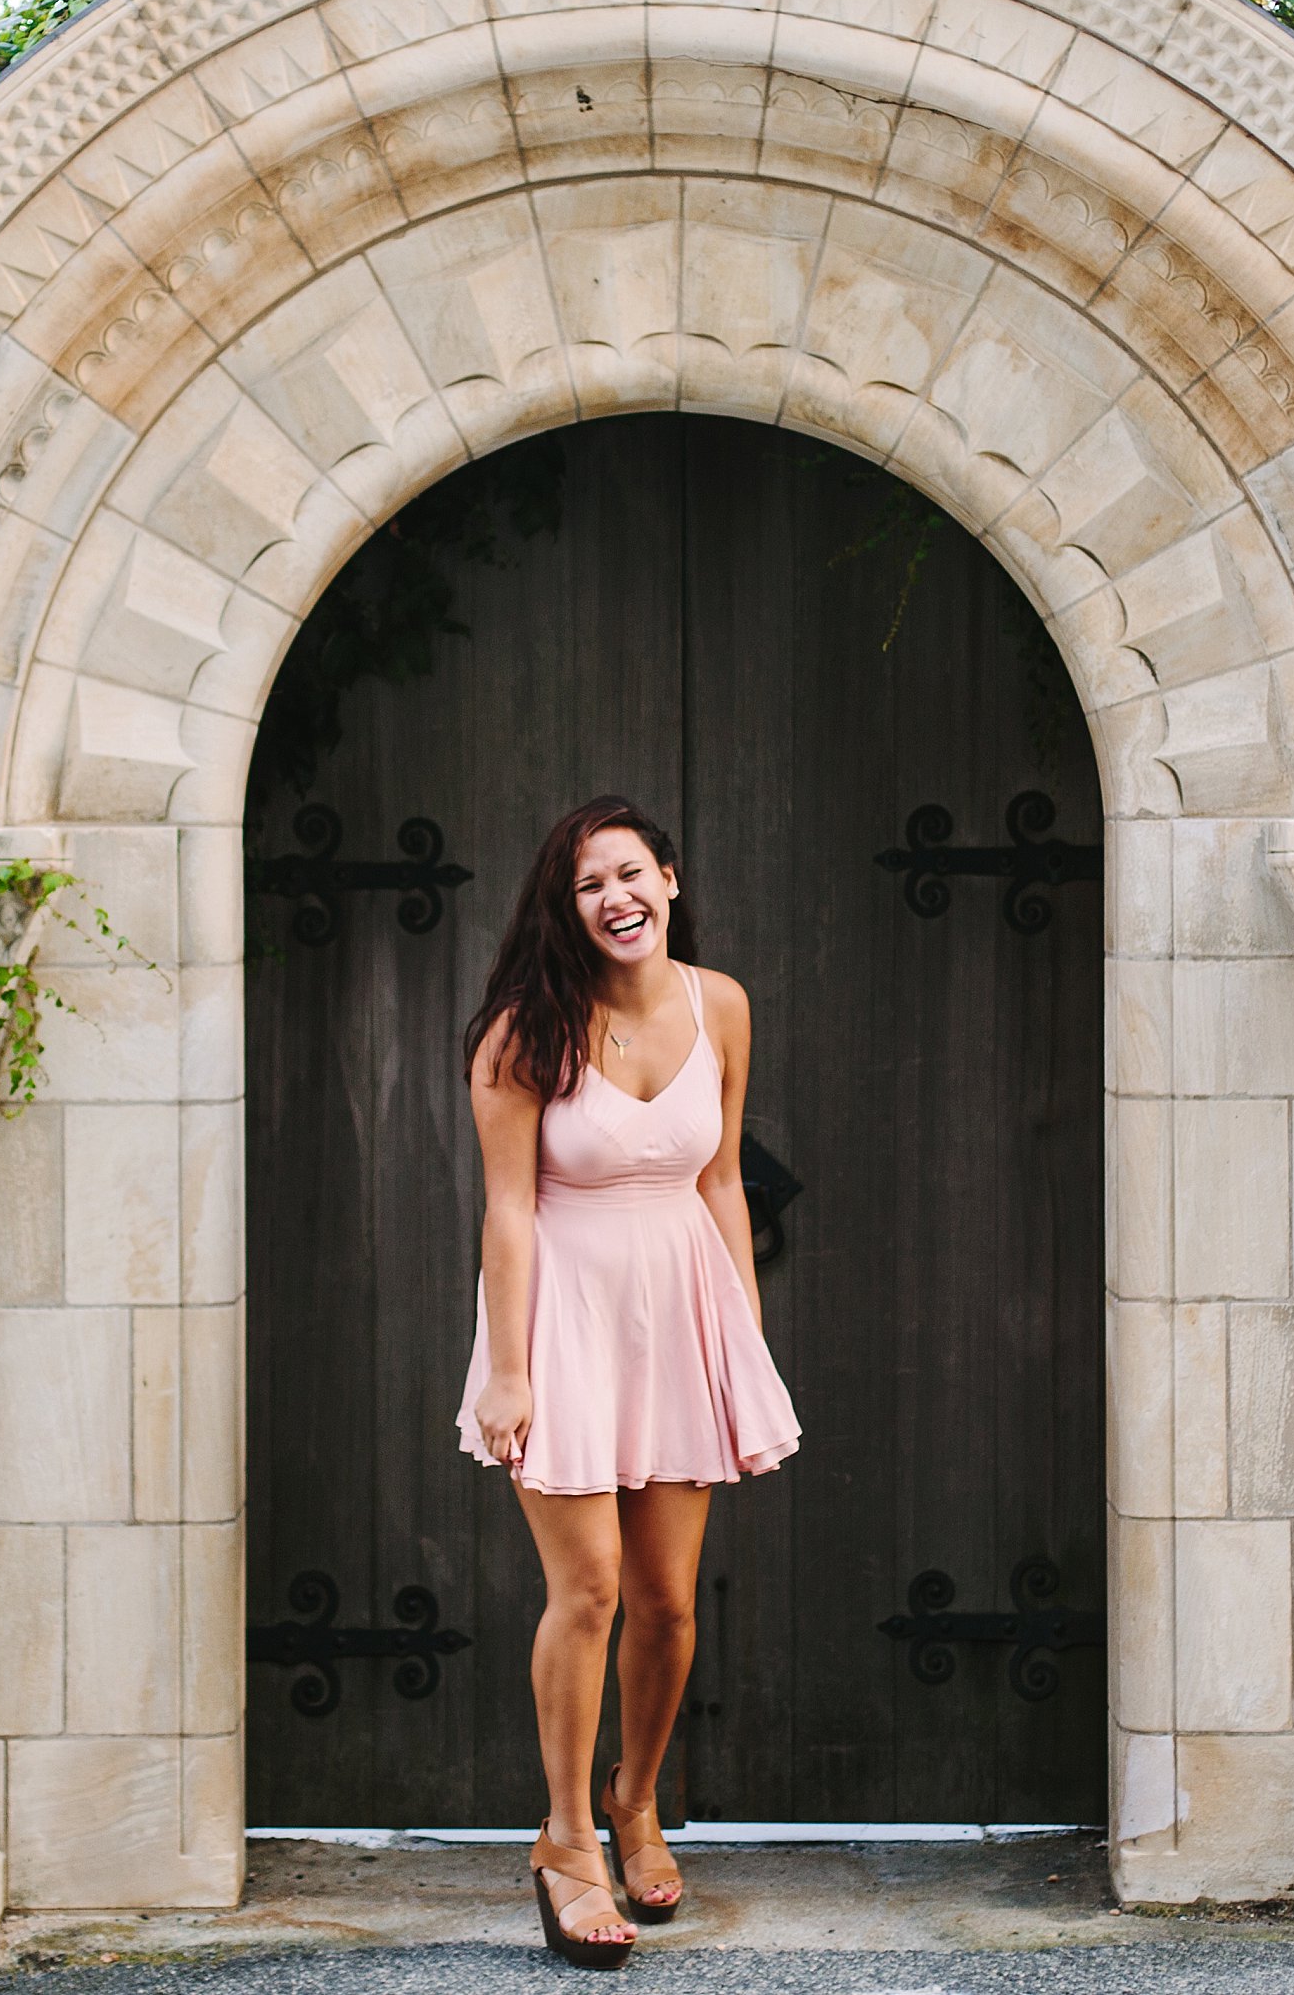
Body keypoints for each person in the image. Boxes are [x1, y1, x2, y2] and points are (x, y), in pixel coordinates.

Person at [457, 795, 800, 1968]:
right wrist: (506, 1370)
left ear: (669, 877)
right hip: (560, 1315)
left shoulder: (722, 1006)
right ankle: (563, 1842)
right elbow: (507, 1211)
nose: (615, 898)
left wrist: (740, 1341)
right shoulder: (521, 1032)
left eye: (629, 874)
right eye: (587, 885)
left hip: (680, 1307)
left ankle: (635, 1799)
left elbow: (719, 1182)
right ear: (567, 911)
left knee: (665, 1601)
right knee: (590, 1589)